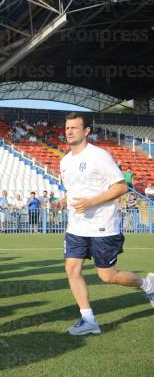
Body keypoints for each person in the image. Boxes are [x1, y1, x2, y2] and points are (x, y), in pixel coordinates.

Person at [60, 113, 153, 336]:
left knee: (107, 276)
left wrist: (91, 202)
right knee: (72, 269)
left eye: (74, 127)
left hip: (103, 226)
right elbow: (73, 191)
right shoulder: (64, 161)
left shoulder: (99, 156)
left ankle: (147, 284)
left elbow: (120, 187)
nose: (69, 131)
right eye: (67, 128)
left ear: (86, 131)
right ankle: (88, 319)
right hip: (76, 227)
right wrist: (62, 202)